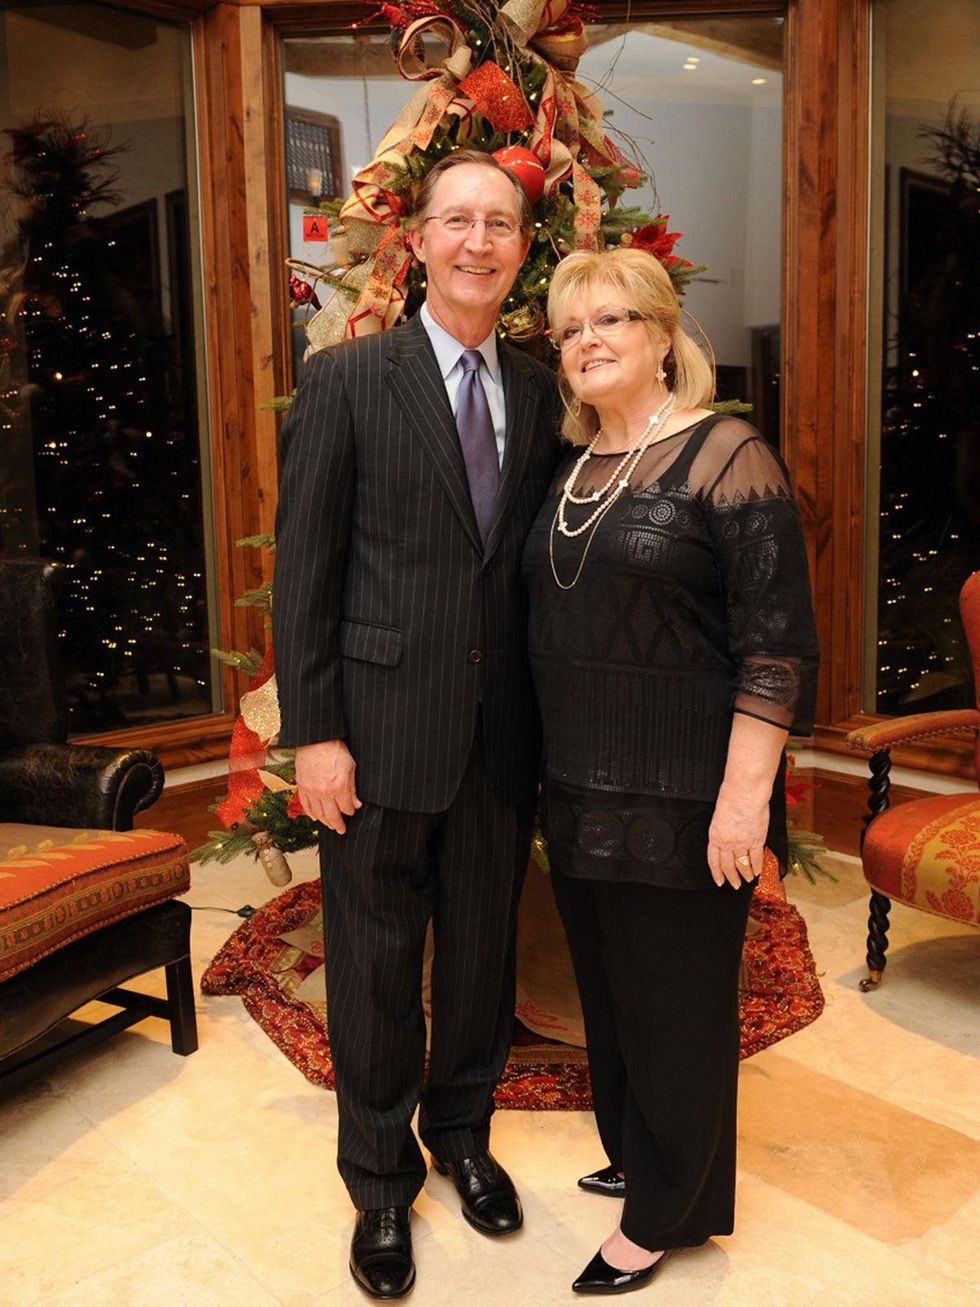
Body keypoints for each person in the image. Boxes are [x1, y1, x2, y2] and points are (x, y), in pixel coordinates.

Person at [272, 149, 559, 1300]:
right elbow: (306, 572)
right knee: (378, 966)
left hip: (500, 737)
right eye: (459, 221)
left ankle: (463, 1135)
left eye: (500, 223)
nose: (479, 241)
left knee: (482, 957)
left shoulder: (538, 388)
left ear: (520, 247)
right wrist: (314, 732)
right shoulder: (347, 379)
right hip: (376, 733)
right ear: (420, 240)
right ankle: (381, 1182)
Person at [522, 248, 819, 1294]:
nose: (589, 341)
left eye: (612, 319)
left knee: (677, 1005)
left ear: (660, 336)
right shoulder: (571, 466)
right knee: (610, 997)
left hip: (690, 796)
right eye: (569, 328)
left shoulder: (724, 452)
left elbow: (776, 643)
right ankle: (640, 1149)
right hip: (581, 789)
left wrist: (742, 804)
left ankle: (668, 1209)